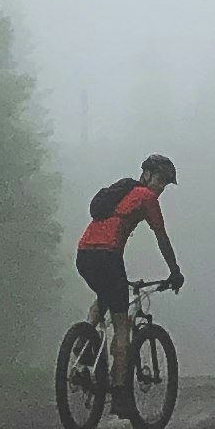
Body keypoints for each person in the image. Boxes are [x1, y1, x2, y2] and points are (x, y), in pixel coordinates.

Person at [75, 151, 182, 393]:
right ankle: (121, 391)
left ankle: (83, 342)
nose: (161, 187)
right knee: (122, 325)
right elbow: (161, 237)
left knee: (105, 296)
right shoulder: (146, 198)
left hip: (84, 254)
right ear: (146, 175)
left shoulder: (121, 194)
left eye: (165, 183)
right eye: (159, 180)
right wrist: (175, 271)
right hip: (108, 256)